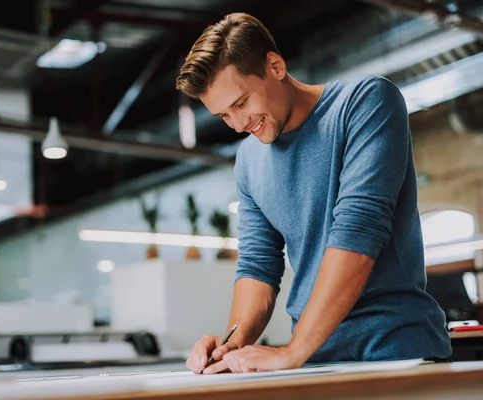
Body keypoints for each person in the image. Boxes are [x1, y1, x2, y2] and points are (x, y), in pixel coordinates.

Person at [175, 12, 452, 374]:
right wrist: (231, 345)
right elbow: (258, 267)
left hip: (395, 351)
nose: (239, 124)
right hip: (316, 361)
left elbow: (359, 230)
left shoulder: (364, 103)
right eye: (224, 116)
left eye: (241, 103)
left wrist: (293, 351)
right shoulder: (248, 160)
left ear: (274, 65)